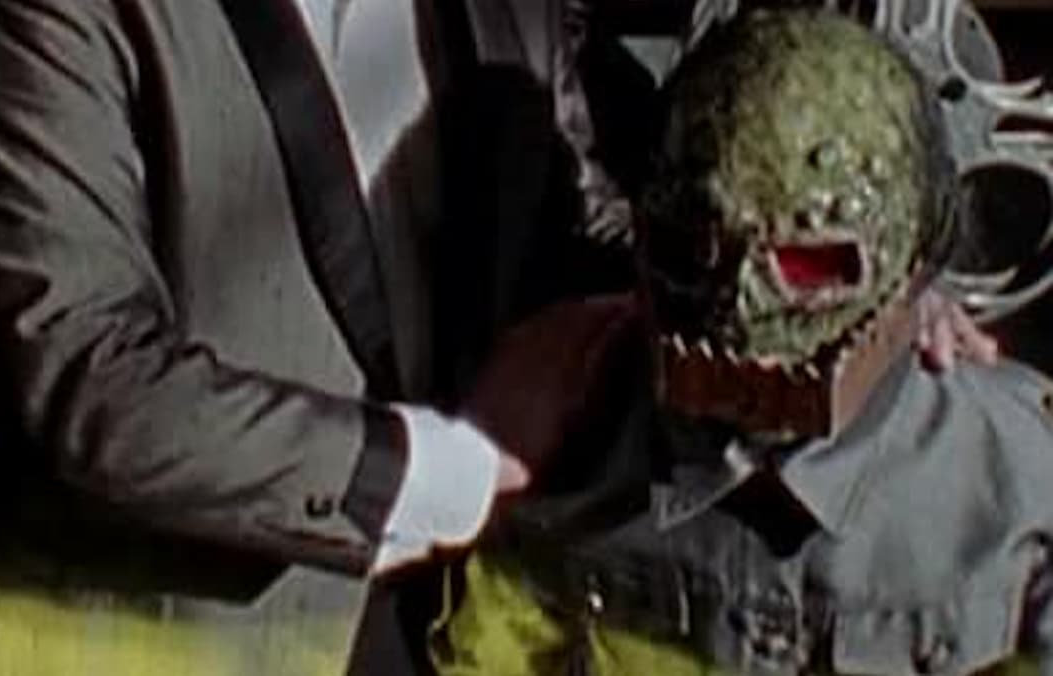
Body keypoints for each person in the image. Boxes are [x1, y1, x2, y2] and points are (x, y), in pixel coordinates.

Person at [433, 10, 1053, 673]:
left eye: (807, 263)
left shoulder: (1020, 479)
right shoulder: (557, 430)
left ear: (915, 264)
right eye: (696, 251)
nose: (738, 306)